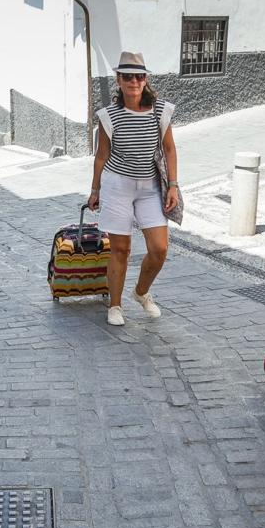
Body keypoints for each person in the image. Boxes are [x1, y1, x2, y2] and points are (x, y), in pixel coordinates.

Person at [87, 51, 180, 327]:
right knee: (121, 249)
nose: (134, 81)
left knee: (159, 248)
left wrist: (173, 185)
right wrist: (95, 190)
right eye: (127, 76)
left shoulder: (161, 111)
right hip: (117, 186)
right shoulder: (108, 116)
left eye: (139, 76)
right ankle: (115, 306)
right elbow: (101, 156)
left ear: (145, 79)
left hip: (151, 186)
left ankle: (140, 292)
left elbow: (169, 148)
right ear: (118, 80)